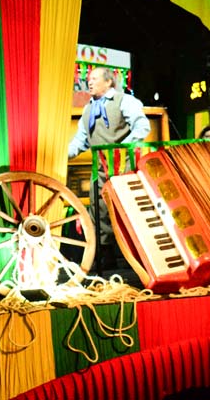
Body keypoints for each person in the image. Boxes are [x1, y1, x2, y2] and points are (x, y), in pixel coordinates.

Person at [68, 67, 151, 270]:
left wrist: (122, 148)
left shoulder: (124, 101)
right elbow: (80, 140)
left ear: (108, 82)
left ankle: (138, 255)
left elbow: (142, 126)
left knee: (128, 207)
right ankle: (105, 254)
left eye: (95, 78)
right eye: (89, 79)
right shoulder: (88, 110)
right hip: (100, 167)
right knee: (99, 207)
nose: (90, 82)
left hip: (124, 165)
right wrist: (62, 154)